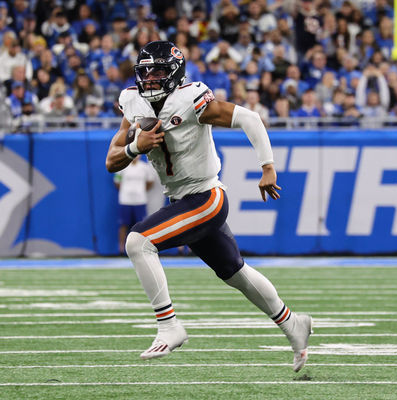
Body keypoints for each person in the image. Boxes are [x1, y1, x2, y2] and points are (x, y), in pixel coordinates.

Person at [105, 41, 312, 371]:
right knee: (236, 274)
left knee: (138, 241)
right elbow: (112, 161)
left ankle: (169, 325)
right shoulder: (132, 102)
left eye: (159, 72)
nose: (152, 79)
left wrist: (267, 166)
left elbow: (249, 117)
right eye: (146, 73)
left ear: (175, 74)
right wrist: (135, 146)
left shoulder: (191, 100)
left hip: (206, 198)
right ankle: (293, 324)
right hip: (182, 201)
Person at [113, 157, 156, 254]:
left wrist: (140, 191)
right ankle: (121, 249)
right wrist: (126, 192)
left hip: (140, 201)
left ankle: (141, 248)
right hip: (125, 201)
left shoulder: (145, 168)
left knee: (142, 225)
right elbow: (116, 181)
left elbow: (150, 182)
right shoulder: (122, 167)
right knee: (123, 225)